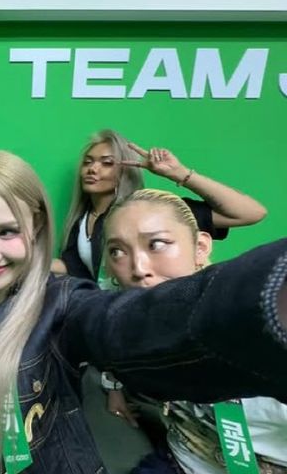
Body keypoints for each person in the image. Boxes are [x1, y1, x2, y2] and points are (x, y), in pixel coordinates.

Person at [0, 150, 287, 474]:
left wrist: (268, 298)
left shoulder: (63, 302)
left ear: (36, 225)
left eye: (7, 231)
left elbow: (132, 325)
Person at [101, 188, 287, 474]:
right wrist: (115, 390)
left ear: (200, 247)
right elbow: (107, 338)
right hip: (181, 459)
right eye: (117, 251)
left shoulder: (263, 326)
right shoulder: (127, 312)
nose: (138, 268)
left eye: (157, 244)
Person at [52, 129, 267, 281]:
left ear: (125, 171)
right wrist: (34, 260)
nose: (93, 169)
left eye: (107, 163)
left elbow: (251, 213)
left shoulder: (155, 212)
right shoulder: (82, 220)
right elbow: (74, 268)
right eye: (88, 162)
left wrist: (180, 174)